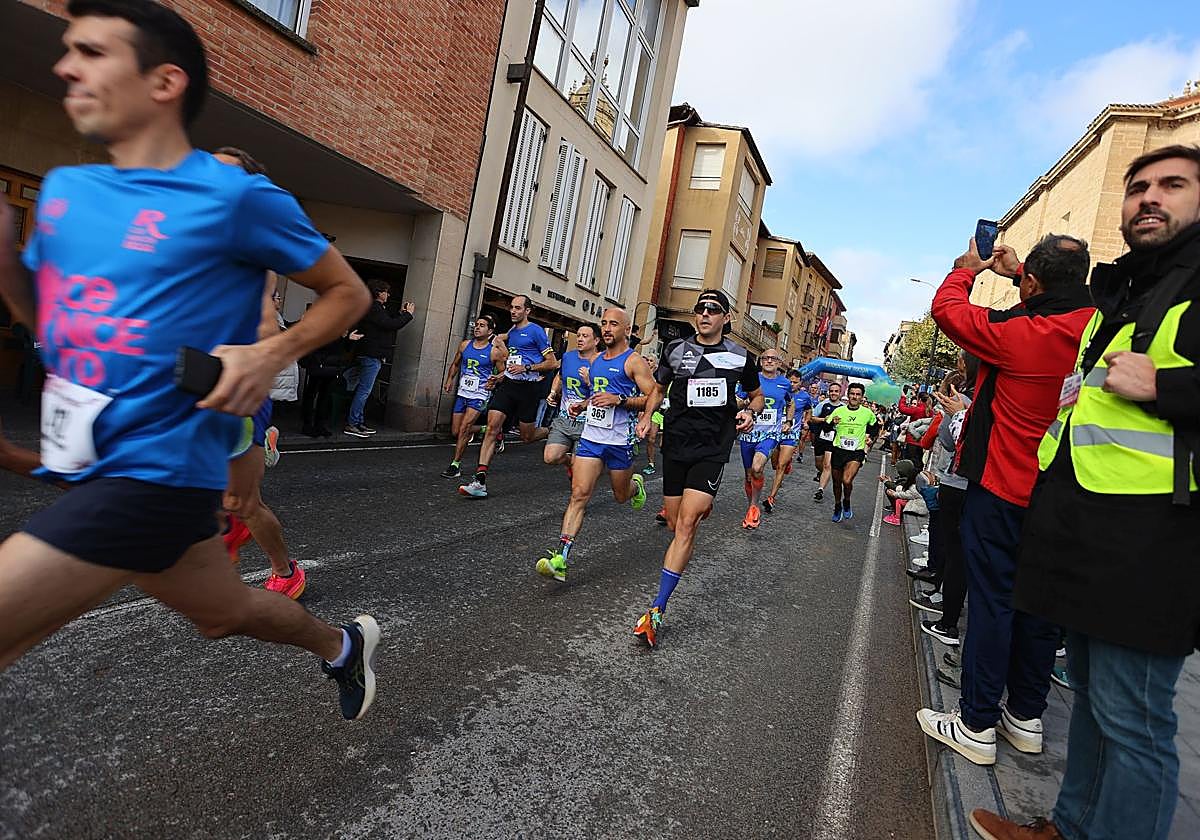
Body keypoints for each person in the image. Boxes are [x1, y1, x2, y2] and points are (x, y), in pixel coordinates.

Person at [0, 0, 378, 720]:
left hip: (158, 473)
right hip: (90, 464)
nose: (65, 66)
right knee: (223, 610)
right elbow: (53, 328)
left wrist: (273, 352)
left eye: (92, 52)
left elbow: (346, 292)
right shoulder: (66, 192)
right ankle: (342, 647)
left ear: (164, 81)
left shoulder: (232, 195)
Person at [971, 145, 1200, 840]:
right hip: (1087, 523)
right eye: (1137, 187)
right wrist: (1019, 276)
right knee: (1099, 705)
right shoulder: (1128, 286)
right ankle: (1067, 830)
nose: (1148, 198)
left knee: (1135, 720)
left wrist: (1167, 387)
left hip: (1157, 536)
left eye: (1173, 185)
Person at [915, 231, 1095, 766]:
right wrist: (1019, 273)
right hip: (1065, 498)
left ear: (1034, 284)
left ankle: (975, 725)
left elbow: (947, 310)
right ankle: (1026, 717)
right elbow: (1073, 297)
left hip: (1005, 489)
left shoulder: (1019, 331)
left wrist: (968, 267)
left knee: (993, 606)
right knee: (1041, 609)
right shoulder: (1099, 328)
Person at [632, 289, 760, 647]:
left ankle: (656, 609)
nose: (704, 314)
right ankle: (699, 502)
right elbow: (657, 389)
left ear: (726, 318)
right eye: (700, 309)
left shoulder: (740, 356)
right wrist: (646, 417)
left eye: (713, 309)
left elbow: (757, 395)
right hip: (676, 443)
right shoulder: (675, 350)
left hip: (711, 448)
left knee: (686, 523)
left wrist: (750, 412)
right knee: (675, 523)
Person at [535, 308, 655, 582]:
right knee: (579, 495)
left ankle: (635, 484)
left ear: (626, 330)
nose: (607, 328)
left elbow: (651, 397)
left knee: (621, 496)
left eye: (614, 324)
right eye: (604, 323)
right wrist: (583, 404)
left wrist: (620, 401)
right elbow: (597, 396)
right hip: (591, 438)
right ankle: (561, 558)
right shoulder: (597, 360)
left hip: (619, 440)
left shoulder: (634, 362)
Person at [459, 295, 558, 498]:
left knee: (526, 436)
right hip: (509, 386)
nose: (513, 311)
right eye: (512, 308)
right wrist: (500, 376)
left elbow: (552, 363)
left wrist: (527, 367)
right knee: (492, 428)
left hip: (528, 389)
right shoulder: (512, 331)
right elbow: (509, 353)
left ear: (527, 311)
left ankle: (552, 429)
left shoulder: (536, 331)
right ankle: (480, 481)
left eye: (518, 308)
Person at [344, 279, 414, 437]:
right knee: (364, 391)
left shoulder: (375, 308)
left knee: (364, 390)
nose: (388, 295)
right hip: (371, 354)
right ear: (379, 293)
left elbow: (385, 323)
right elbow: (389, 325)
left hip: (370, 353)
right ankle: (353, 423)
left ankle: (359, 422)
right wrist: (407, 315)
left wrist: (400, 314)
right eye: (386, 291)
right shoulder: (374, 307)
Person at [735, 350, 793, 527]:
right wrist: (742, 404)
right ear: (760, 362)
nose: (769, 361)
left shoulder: (785, 383)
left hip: (770, 434)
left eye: (773, 358)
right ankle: (751, 505)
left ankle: (754, 507)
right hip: (748, 432)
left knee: (757, 467)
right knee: (748, 476)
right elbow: (738, 400)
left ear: (779, 363)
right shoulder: (751, 379)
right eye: (765, 358)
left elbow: (791, 403)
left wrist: (789, 421)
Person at [440, 314, 502, 478]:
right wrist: (449, 379)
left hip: (480, 394)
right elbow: (455, 363)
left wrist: (495, 380)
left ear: (490, 331)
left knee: (464, 428)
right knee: (456, 431)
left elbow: (504, 371)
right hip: (462, 393)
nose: (477, 327)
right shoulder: (465, 345)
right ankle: (489, 429)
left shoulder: (494, 352)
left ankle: (455, 465)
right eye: (477, 324)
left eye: (482, 325)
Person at [541, 323, 600, 480]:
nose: (580, 339)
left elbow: (604, 395)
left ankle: (578, 501)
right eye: (579, 335)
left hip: (588, 423)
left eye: (585, 336)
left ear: (596, 341)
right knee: (550, 457)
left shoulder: (601, 363)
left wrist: (589, 381)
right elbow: (560, 377)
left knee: (580, 473)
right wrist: (553, 393)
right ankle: (570, 462)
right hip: (565, 419)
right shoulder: (568, 357)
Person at [826, 382, 880, 522]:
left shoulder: (867, 413)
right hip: (838, 450)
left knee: (847, 480)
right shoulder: (839, 411)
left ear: (862, 397)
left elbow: (875, 429)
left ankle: (847, 501)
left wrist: (870, 439)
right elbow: (826, 428)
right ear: (848, 395)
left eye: (858, 394)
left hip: (856, 452)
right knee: (837, 483)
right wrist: (832, 423)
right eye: (852, 394)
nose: (854, 397)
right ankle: (838, 506)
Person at [762, 370, 810, 511]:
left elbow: (809, 410)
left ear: (800, 383)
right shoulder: (780, 391)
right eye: (791, 381)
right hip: (775, 433)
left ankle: (771, 498)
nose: (793, 384)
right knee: (774, 464)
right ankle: (786, 464)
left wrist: (806, 421)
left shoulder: (804, 397)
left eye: (796, 382)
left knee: (780, 466)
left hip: (791, 434)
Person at [808, 381, 844, 502]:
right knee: (819, 464)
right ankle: (821, 473)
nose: (833, 393)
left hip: (833, 440)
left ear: (840, 393)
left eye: (836, 391)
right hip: (821, 438)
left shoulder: (843, 408)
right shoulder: (823, 404)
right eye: (832, 391)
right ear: (829, 392)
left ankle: (820, 489)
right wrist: (825, 419)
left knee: (827, 464)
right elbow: (812, 418)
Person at [896, 386, 933, 465]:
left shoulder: (917, 410)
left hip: (912, 440)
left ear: (919, 400)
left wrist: (903, 397)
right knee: (917, 463)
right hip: (923, 442)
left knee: (908, 463)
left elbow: (902, 408)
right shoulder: (931, 411)